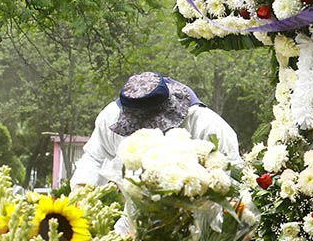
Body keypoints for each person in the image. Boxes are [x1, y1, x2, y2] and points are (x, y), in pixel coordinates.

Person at [71, 72, 240, 188]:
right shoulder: (110, 117)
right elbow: (95, 157)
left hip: (198, 221)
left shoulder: (205, 124)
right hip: (135, 219)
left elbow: (232, 175)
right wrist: (83, 185)